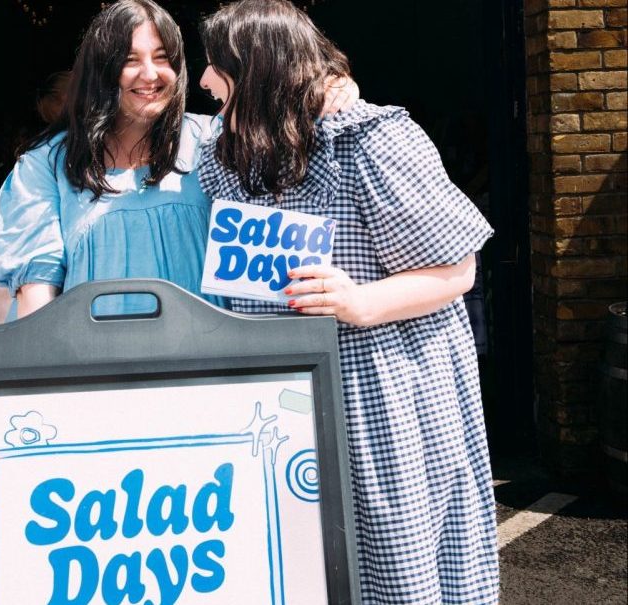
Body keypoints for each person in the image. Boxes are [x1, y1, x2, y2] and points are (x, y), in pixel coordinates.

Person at [197, 1, 498, 603]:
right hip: (277, 401)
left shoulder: (370, 142)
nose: (202, 80)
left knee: (391, 562)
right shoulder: (226, 151)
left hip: (378, 393)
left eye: (215, 64)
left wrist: (360, 300)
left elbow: (457, 270)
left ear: (258, 69)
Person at [0, 0, 357, 320]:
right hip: (98, 374)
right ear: (100, 71)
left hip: (209, 369)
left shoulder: (213, 140)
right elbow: (36, 295)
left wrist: (328, 87)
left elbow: (280, 124)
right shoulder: (47, 166)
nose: (150, 75)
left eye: (162, 58)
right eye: (130, 60)